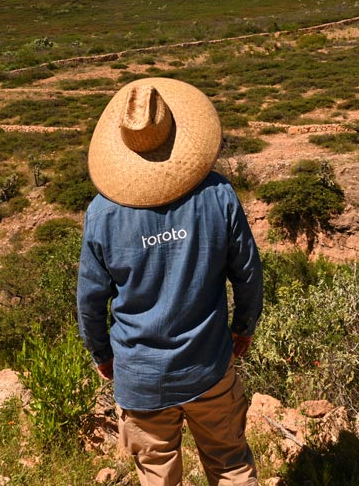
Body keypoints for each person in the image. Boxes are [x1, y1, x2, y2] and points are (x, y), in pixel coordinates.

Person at [77, 77, 263, 486]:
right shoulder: (216, 193)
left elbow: (90, 302)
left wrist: (102, 355)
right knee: (230, 463)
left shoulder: (102, 212)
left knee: (157, 475)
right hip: (209, 364)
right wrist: (243, 328)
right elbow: (247, 272)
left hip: (140, 376)